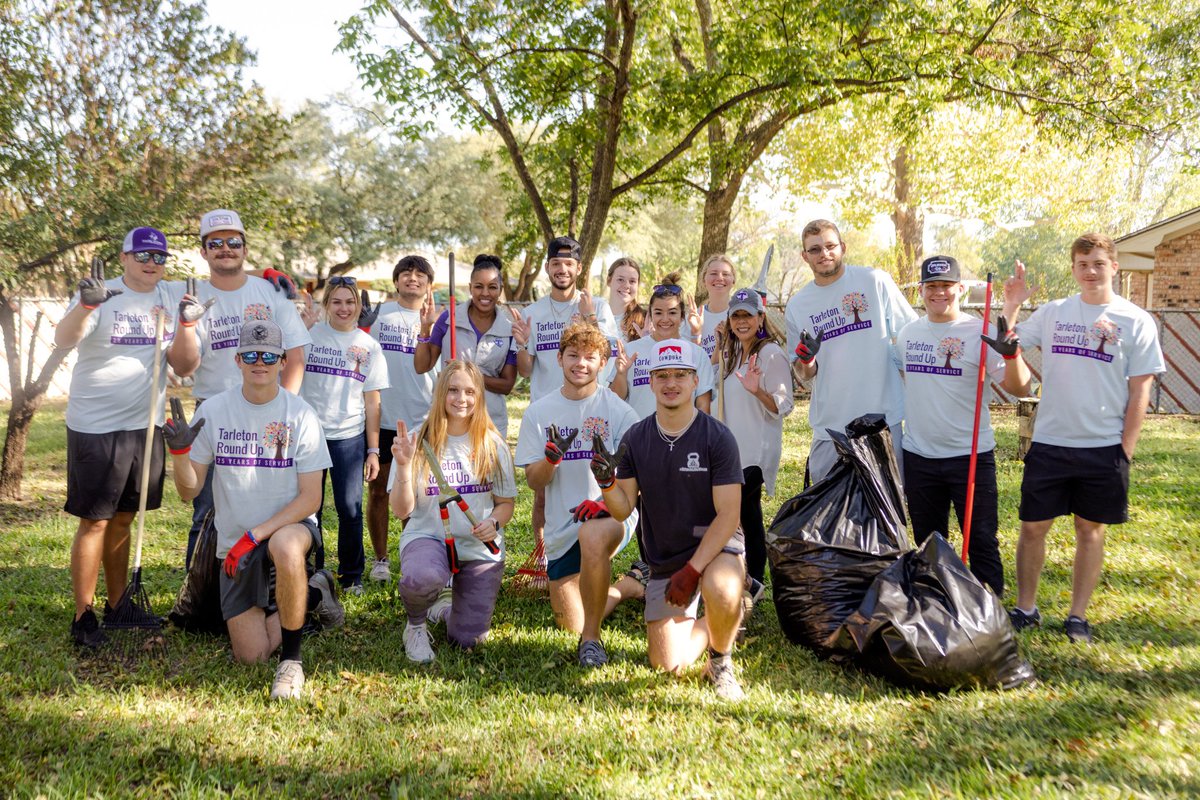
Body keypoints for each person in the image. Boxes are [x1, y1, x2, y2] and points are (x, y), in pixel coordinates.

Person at [164, 319, 344, 700]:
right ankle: (312, 595)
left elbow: (311, 499)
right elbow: (187, 491)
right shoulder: (214, 411)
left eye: (268, 355)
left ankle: (292, 664)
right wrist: (180, 456)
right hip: (235, 544)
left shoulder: (300, 415)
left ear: (282, 361)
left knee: (285, 546)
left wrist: (255, 534)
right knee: (251, 655)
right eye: (250, 355)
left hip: (288, 529)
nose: (258, 361)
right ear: (237, 359)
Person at [998, 234, 1165, 643]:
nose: (1090, 271)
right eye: (1082, 263)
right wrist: (1013, 303)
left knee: (1089, 531)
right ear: (1073, 269)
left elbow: (1140, 390)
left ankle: (1077, 616)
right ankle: (1026, 608)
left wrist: (1125, 450)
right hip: (1051, 441)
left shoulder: (1136, 320)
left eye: (1098, 263)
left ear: (1114, 267)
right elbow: (1011, 343)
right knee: (1032, 528)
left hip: (1103, 447)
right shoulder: (1055, 313)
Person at [56, 228, 203, 647]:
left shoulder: (168, 299)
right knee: (96, 519)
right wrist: (86, 306)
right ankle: (83, 614)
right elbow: (63, 339)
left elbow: (185, 364)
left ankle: (118, 602)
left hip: (145, 424)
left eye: (159, 256)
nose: (151, 262)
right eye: (143, 254)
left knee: (124, 516)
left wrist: (187, 326)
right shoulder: (104, 293)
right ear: (124, 257)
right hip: (96, 425)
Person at [602, 338, 749, 700]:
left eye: (680, 375)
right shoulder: (636, 438)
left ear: (695, 381)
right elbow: (623, 509)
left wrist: (694, 570)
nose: (671, 383)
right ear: (649, 382)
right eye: (662, 375)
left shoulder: (717, 437)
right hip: (666, 559)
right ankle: (734, 611)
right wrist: (606, 482)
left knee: (721, 586)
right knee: (670, 665)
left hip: (715, 549)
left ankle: (721, 661)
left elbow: (729, 515)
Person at [170, 209, 312, 567]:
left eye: (234, 242)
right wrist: (186, 325)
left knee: (276, 505)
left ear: (245, 248)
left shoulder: (269, 291)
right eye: (215, 243)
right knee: (206, 510)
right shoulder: (192, 296)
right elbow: (185, 366)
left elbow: (294, 355)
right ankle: (201, 598)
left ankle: (277, 583)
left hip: (271, 413)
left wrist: (287, 409)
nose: (225, 249)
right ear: (203, 251)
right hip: (214, 414)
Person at [892, 256, 1029, 596]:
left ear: (961, 289)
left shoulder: (981, 332)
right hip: (920, 454)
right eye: (932, 286)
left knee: (981, 537)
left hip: (970, 456)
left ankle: (988, 610)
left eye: (946, 286)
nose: (939, 293)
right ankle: (935, 603)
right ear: (921, 290)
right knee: (928, 540)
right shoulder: (908, 335)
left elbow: (1020, 388)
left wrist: (1012, 355)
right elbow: (905, 380)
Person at [514, 323, 644, 667]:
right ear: (558, 359)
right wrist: (551, 459)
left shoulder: (619, 411)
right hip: (561, 526)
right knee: (569, 623)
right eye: (573, 355)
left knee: (591, 533)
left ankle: (592, 639)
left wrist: (604, 501)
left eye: (591, 357)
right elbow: (533, 481)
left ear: (603, 363)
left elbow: (640, 477)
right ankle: (626, 587)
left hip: (612, 515)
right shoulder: (540, 412)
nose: (581, 364)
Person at [387, 361, 517, 663]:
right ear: (440, 393)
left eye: (470, 391)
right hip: (428, 538)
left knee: (467, 639)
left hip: (478, 548)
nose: (462, 399)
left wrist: (494, 522)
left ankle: (444, 606)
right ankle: (416, 624)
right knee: (423, 577)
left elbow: (506, 504)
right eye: (453, 390)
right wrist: (404, 466)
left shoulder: (492, 443)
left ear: (480, 396)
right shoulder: (417, 440)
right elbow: (401, 510)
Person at [510, 236, 620, 557]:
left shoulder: (596, 307)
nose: (562, 269)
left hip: (589, 411)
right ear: (547, 268)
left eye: (568, 264)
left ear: (579, 268)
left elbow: (608, 357)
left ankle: (592, 551)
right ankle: (544, 555)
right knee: (543, 492)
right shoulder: (533, 312)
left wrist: (589, 319)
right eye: (556, 264)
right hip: (547, 416)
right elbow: (526, 370)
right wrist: (522, 344)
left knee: (592, 485)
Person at [784, 219, 917, 483]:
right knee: (827, 516)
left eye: (830, 246)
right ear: (804, 256)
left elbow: (909, 338)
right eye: (815, 249)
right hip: (830, 428)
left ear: (843, 247)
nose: (824, 253)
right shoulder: (798, 305)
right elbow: (803, 373)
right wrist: (806, 358)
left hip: (882, 421)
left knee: (887, 513)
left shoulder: (874, 281)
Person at [299, 278, 389, 593]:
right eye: (336, 302)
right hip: (309, 437)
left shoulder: (369, 347)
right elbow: (289, 376)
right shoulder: (309, 336)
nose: (344, 308)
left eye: (349, 302)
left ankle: (352, 576)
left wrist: (373, 450)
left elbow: (372, 403)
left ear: (358, 306)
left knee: (349, 509)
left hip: (348, 438)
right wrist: (299, 330)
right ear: (326, 306)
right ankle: (312, 571)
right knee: (309, 509)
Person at [364, 255, 441, 584]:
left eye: (420, 274)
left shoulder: (440, 320)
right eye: (406, 273)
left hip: (423, 419)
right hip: (383, 418)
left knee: (419, 495)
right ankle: (381, 559)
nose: (412, 278)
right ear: (396, 281)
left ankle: (413, 553)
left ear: (429, 284)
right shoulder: (379, 314)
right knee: (379, 492)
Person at [714, 287, 794, 596]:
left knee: (741, 514)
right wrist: (721, 342)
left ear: (761, 317)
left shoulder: (770, 353)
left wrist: (757, 391)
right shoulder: (735, 352)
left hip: (754, 451)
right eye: (736, 316)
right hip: (733, 448)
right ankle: (750, 580)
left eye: (748, 315)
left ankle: (753, 580)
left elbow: (783, 405)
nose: (742, 321)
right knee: (745, 515)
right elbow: (712, 373)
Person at [414, 254, 518, 436]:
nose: (485, 293)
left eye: (492, 287)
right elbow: (422, 366)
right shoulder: (449, 319)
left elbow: (507, 385)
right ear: (471, 288)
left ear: (500, 289)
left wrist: (468, 376)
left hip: (490, 421)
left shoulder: (509, 330)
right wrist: (425, 328)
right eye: (479, 286)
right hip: (449, 420)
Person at [610, 273, 714, 418]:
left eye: (672, 312)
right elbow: (615, 400)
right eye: (658, 313)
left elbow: (703, 406)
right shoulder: (631, 350)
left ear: (682, 316)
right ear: (651, 315)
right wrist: (621, 374)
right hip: (638, 436)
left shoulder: (697, 354)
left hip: (684, 437)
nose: (665, 319)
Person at [694, 254, 737, 357]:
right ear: (704, 280)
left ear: (733, 281)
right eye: (713, 273)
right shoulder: (694, 318)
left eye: (726, 274)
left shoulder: (742, 315)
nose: (720, 278)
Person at [605, 256, 647, 343]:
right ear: (609, 281)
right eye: (620, 279)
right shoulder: (593, 315)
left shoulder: (646, 319)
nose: (627, 286)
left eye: (632, 281)